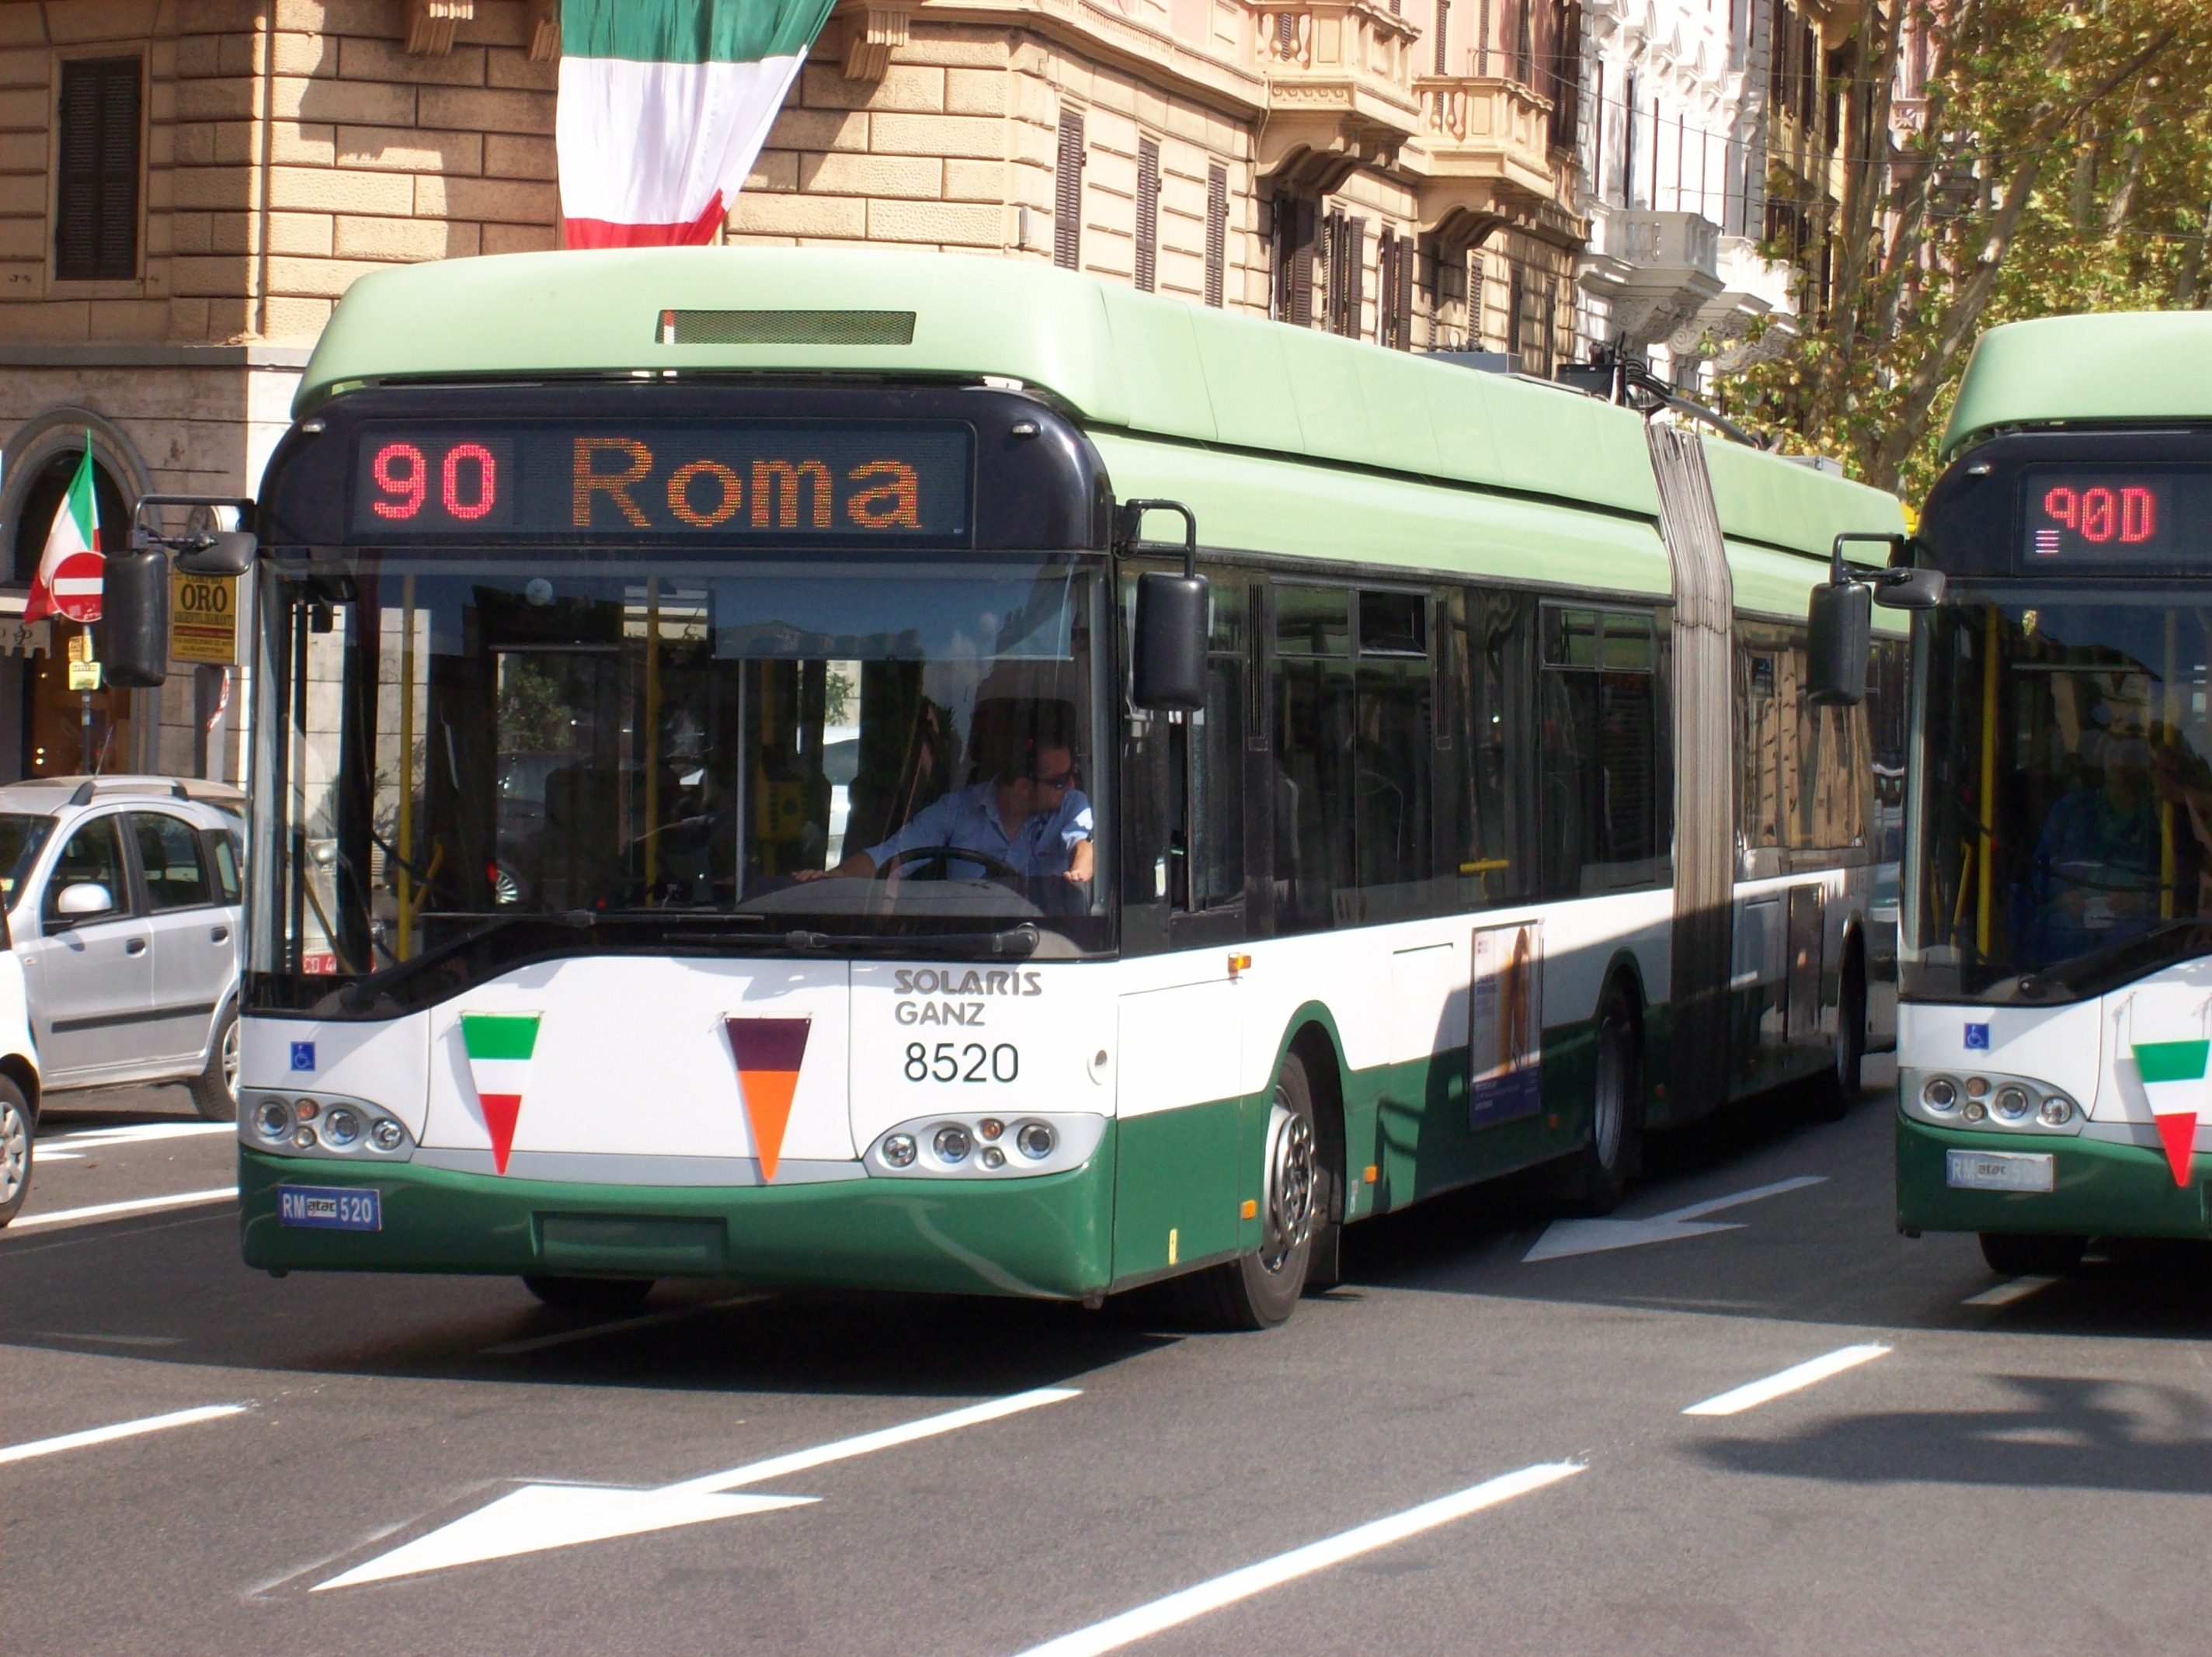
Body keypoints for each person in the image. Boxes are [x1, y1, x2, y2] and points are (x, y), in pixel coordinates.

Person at [798, 704, 1094, 884]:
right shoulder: (956, 810)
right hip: (959, 944)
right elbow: (890, 856)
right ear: (1023, 786)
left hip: (1043, 944)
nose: (1071, 786)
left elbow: (1082, 845)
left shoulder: (1071, 805)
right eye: (1059, 781)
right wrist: (836, 877)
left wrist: (1077, 873)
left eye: (1071, 775)